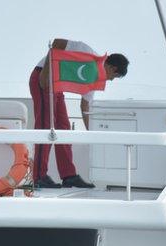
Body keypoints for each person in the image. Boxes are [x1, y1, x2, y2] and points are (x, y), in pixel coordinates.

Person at [30, 40, 129, 189]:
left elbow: (85, 106)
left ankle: (68, 176)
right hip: (42, 78)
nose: (110, 80)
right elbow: (57, 43)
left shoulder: (95, 78)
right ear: (112, 68)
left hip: (57, 86)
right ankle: (38, 177)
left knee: (64, 128)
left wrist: (92, 134)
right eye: (113, 77)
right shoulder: (86, 52)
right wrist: (45, 73)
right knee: (45, 126)